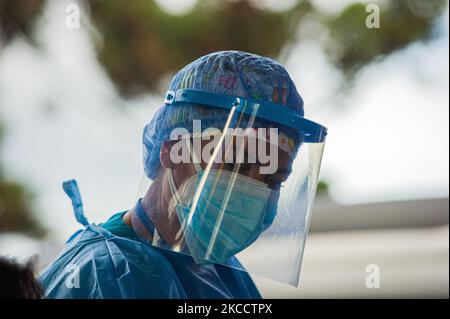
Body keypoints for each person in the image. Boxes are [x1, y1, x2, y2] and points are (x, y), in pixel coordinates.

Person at [40, 51, 327, 298]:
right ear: (172, 150)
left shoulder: (227, 275)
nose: (252, 190)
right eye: (235, 164)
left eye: (273, 180)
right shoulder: (102, 276)